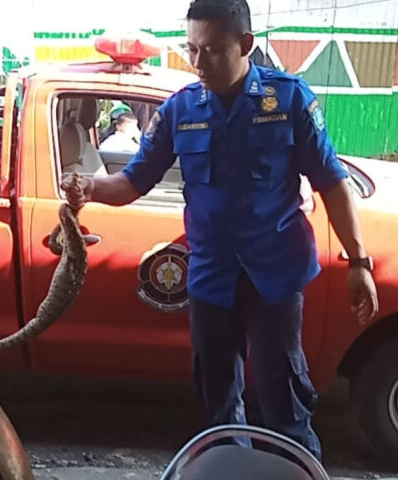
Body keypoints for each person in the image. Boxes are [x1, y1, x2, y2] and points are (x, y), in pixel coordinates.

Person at [61, 0, 379, 460]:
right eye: (191, 49)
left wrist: (359, 262)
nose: (198, 63)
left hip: (276, 276)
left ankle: (296, 470)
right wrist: (90, 186)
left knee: (283, 398)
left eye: (211, 50)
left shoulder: (287, 99)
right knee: (217, 403)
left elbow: (331, 181)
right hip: (211, 280)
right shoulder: (180, 110)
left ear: (244, 44)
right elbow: (132, 182)